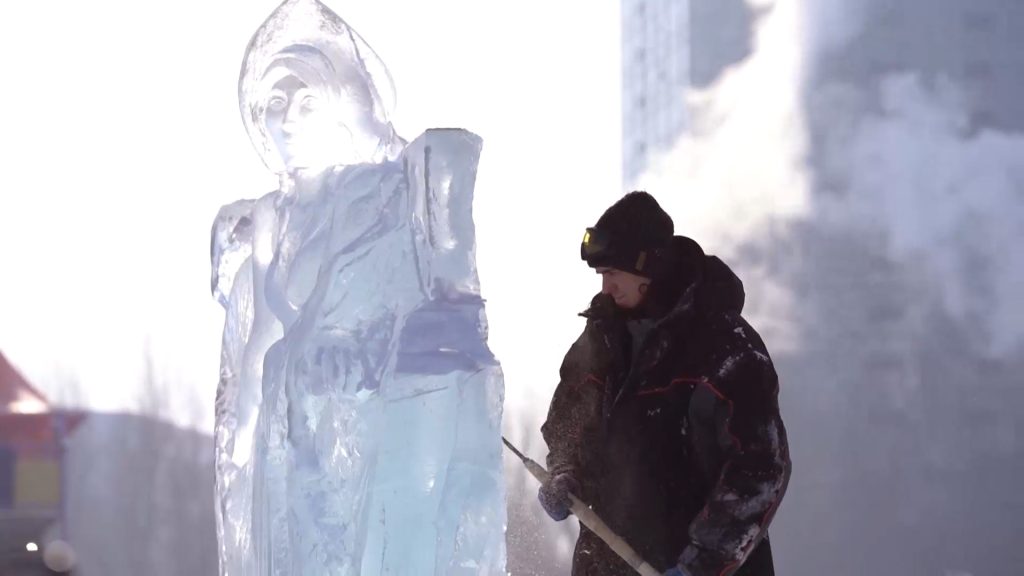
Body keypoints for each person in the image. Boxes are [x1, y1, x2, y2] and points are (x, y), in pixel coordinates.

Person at [539, 191, 792, 576]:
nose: (604, 288)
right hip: (605, 561)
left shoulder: (723, 349)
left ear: (649, 269)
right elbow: (568, 418)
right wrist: (564, 470)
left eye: (612, 274)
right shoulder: (603, 336)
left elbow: (759, 470)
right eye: (600, 276)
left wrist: (699, 565)